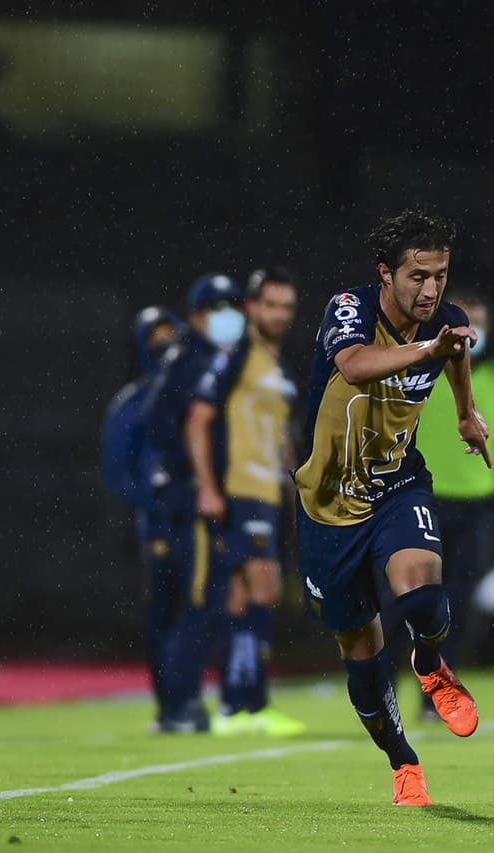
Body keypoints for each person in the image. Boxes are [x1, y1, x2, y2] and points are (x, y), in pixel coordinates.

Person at [292, 209, 491, 806]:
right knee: (361, 650)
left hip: (396, 483)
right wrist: (433, 347)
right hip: (326, 503)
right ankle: (404, 763)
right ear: (387, 273)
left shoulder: (445, 325)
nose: (431, 290)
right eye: (418, 276)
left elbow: (455, 354)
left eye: (441, 276)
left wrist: (465, 411)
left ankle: (430, 664)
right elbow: (352, 366)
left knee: (423, 592)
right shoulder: (349, 308)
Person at [185, 266, 306, 736]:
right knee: (264, 587)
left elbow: (282, 439)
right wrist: (208, 487)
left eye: (287, 307)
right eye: (271, 305)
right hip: (242, 490)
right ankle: (249, 703)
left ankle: (237, 705)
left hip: (270, 493)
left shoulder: (280, 365)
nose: (280, 314)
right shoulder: (236, 356)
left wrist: (296, 490)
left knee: (241, 593)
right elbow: (198, 418)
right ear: (252, 307)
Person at [403, 290, 494, 720]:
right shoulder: (421, 366)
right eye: (468, 322)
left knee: (456, 604)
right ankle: (390, 685)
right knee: (415, 599)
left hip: (475, 505)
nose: (476, 332)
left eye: (482, 323)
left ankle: (435, 694)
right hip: (422, 498)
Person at [145, 272, 247, 733]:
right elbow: (167, 424)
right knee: (199, 604)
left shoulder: (197, 358)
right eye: (217, 308)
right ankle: (182, 704)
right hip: (193, 502)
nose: (229, 317)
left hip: (187, 499)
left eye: (233, 306)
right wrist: (196, 477)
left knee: (182, 607)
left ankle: (174, 706)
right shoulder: (195, 361)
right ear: (196, 315)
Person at [101, 305, 184, 723]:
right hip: (159, 524)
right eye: (157, 335)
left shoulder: (195, 397)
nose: (165, 343)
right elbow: (117, 470)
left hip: (199, 519)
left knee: (207, 611)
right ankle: (170, 704)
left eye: (171, 333)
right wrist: (157, 502)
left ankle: (200, 699)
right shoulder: (132, 403)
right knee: (164, 611)